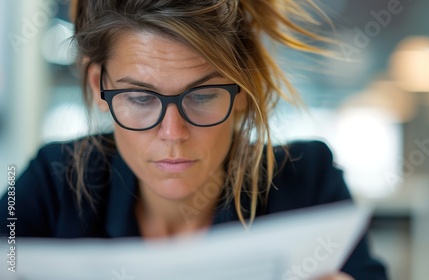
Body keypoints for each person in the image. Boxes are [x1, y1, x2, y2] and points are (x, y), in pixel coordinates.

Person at [0, 0, 387, 279]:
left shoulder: (307, 184)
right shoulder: (53, 182)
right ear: (99, 86)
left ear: (241, 92)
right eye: (140, 98)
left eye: (201, 97)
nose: (173, 134)